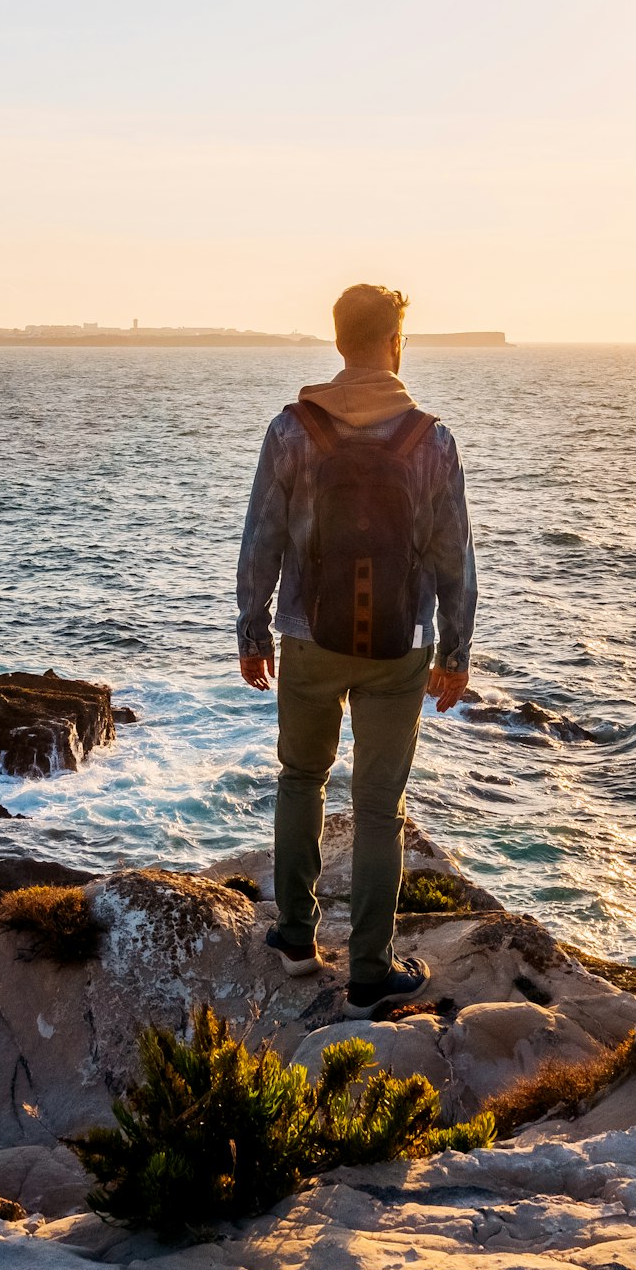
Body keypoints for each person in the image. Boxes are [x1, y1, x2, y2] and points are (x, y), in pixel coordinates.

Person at [235, 282, 479, 1009]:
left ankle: (297, 939)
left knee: (299, 779)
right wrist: (454, 652)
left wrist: (254, 630)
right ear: (395, 342)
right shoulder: (430, 439)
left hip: (308, 638)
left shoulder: (292, 429)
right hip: (397, 646)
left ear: (338, 340)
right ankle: (371, 969)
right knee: (378, 809)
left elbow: (261, 541)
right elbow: (453, 557)